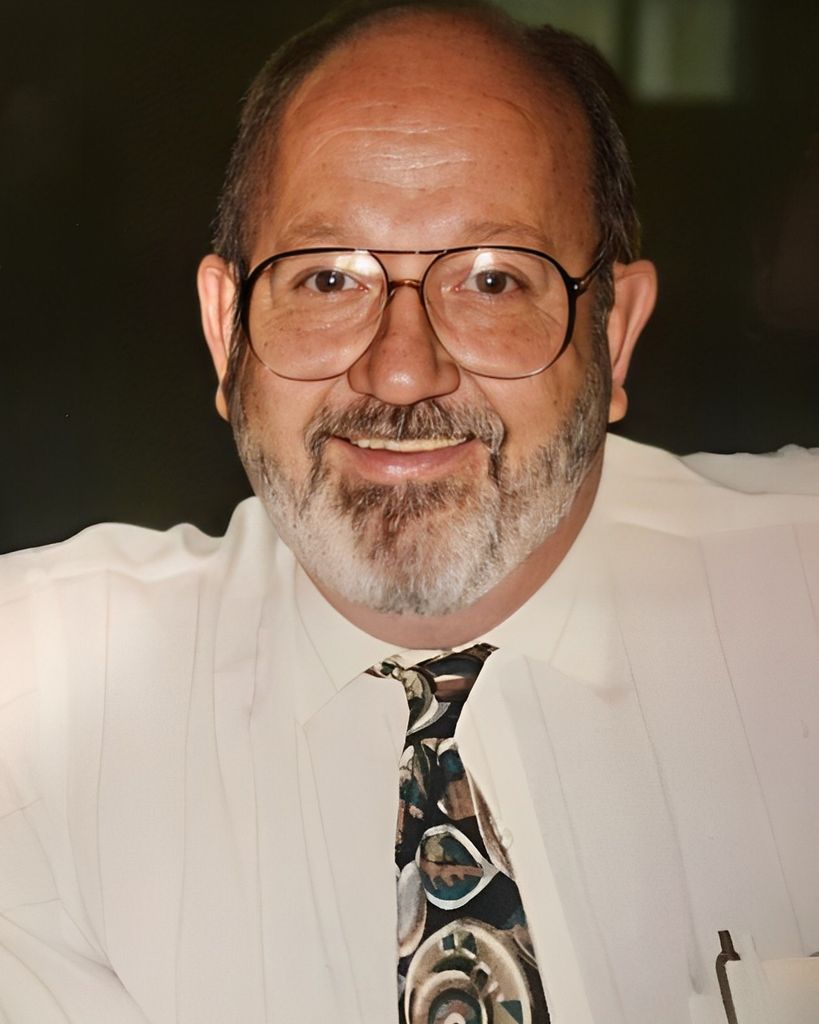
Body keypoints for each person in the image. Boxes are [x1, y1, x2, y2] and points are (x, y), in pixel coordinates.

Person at [1, 3, 817, 1022]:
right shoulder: (34, 708)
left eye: (492, 280)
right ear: (225, 331)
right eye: (327, 278)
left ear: (612, 339)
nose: (400, 370)